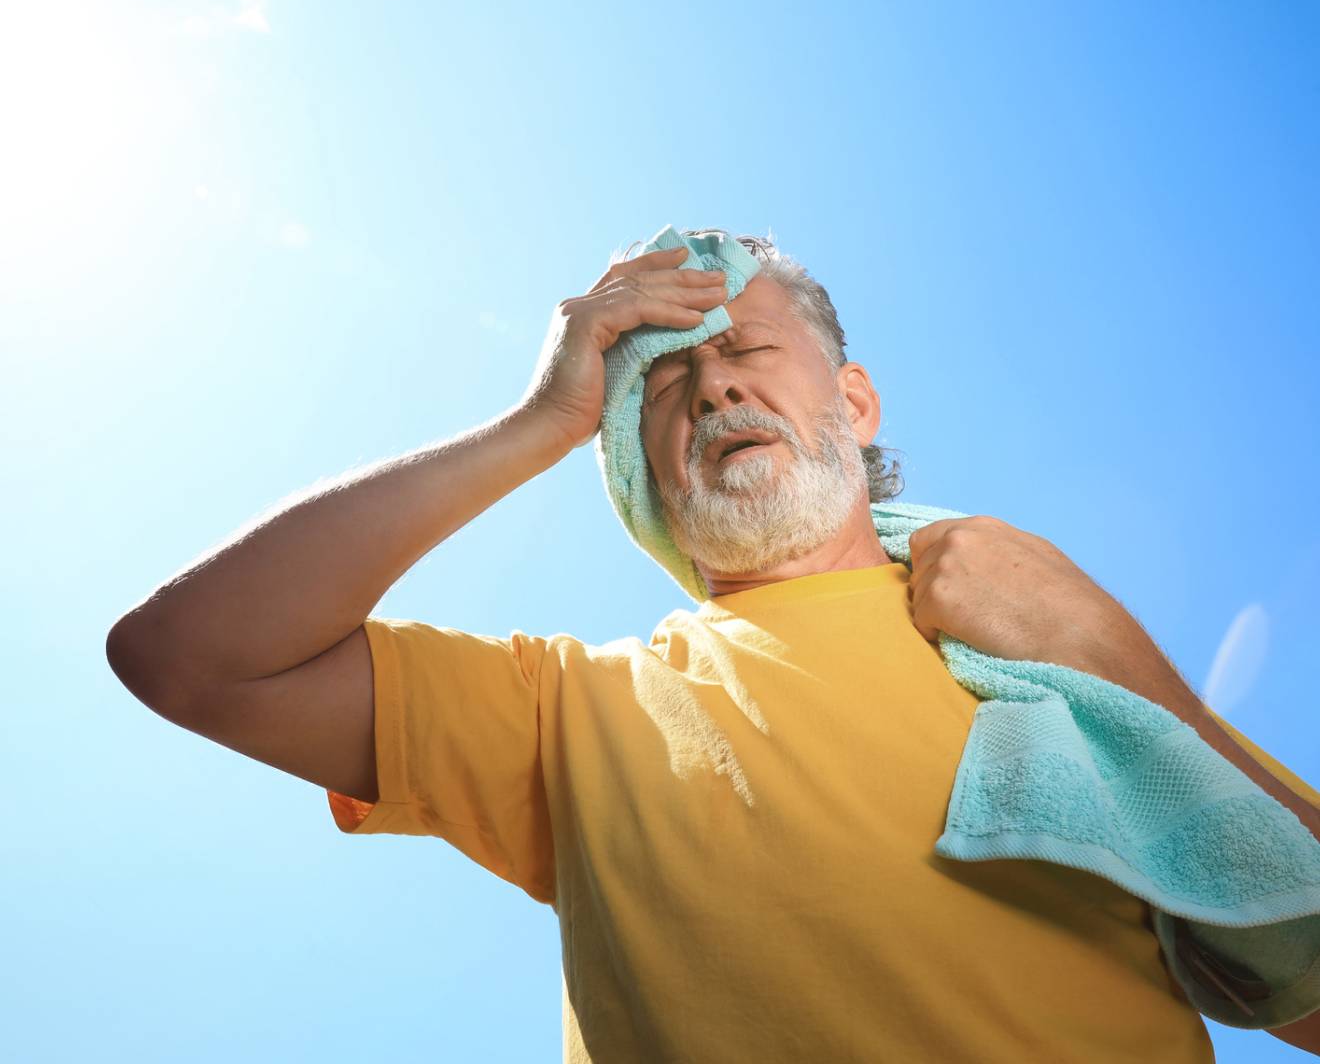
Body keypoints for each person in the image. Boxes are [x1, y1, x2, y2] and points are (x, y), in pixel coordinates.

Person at [106, 231, 1320, 1061]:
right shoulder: (567, 710)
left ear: (851, 404)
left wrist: (1119, 661)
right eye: (668, 389)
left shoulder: (1037, 658)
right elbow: (190, 656)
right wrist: (543, 422)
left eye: (744, 351)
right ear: (638, 471)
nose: (717, 392)